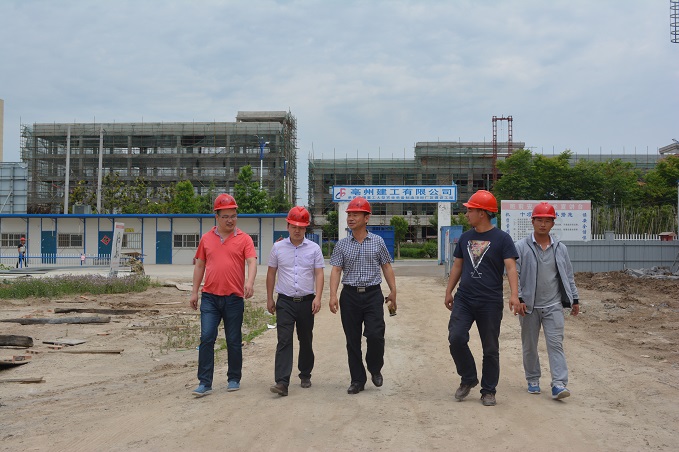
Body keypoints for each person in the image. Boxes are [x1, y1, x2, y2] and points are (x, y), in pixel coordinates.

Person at [444, 189, 520, 407]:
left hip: (490, 301)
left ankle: (488, 390)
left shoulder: (502, 239)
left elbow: (511, 268)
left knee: (490, 348)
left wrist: (514, 295)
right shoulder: (465, 238)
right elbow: (458, 265)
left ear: (483, 213)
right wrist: (449, 291)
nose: (467, 214)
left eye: (470, 210)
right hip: (465, 298)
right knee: (456, 338)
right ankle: (468, 377)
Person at [190, 193, 257, 398]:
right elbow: (199, 265)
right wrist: (194, 292)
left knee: (234, 339)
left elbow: (252, 261)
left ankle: (234, 378)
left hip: (234, 298)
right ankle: (204, 382)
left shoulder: (244, 239)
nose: (230, 220)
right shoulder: (206, 239)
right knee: (207, 338)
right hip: (210, 298)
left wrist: (249, 282)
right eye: (225, 216)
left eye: (233, 216)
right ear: (216, 217)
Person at [329, 197, 396, 395]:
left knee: (375, 335)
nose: (351, 218)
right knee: (352, 340)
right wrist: (333, 295)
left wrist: (393, 290)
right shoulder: (342, 245)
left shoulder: (378, 241)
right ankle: (357, 380)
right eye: (349, 214)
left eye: (355, 215)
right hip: (349, 296)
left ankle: (375, 368)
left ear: (366, 218)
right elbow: (336, 270)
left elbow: (386, 266)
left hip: (373, 294)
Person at [513, 202, 580, 400]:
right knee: (529, 345)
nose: (543, 224)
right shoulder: (521, 247)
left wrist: (574, 298)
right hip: (529, 306)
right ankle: (533, 379)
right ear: (532, 221)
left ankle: (559, 384)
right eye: (539, 220)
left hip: (553, 305)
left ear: (553, 223)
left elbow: (568, 275)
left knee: (555, 344)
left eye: (547, 220)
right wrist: (519, 298)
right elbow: (514, 275)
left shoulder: (560, 248)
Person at [266, 206, 325, 397]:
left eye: (301, 227)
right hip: (285, 301)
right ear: (288, 226)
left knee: (305, 339)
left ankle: (305, 373)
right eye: (293, 226)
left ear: (306, 228)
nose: (297, 230)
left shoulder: (314, 249)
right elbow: (271, 273)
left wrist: (318, 297)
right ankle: (282, 382)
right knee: (284, 340)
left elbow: (319, 273)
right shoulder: (278, 248)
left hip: (307, 301)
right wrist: (269, 298)